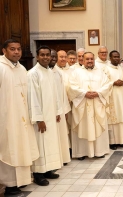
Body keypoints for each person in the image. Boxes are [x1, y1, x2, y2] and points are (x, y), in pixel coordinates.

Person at [0, 39, 39, 195]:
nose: (16, 52)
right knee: (10, 149)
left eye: (18, 49)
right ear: (4, 51)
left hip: (22, 117)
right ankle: (9, 185)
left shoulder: (22, 69)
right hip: (7, 119)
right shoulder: (1, 68)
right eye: (12, 49)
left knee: (22, 148)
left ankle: (20, 181)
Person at [27, 45, 63, 186]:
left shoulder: (50, 72)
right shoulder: (33, 74)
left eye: (47, 54)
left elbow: (55, 94)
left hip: (51, 115)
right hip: (41, 118)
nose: (46, 57)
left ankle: (48, 169)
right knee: (40, 144)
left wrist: (57, 111)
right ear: (37, 56)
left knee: (50, 143)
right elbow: (33, 98)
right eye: (42, 55)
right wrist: (39, 119)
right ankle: (38, 173)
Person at [68, 52, 112, 160]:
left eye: (91, 59)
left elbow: (108, 85)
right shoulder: (76, 72)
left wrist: (98, 93)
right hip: (82, 104)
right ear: (82, 60)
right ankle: (81, 153)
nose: (89, 61)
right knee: (83, 126)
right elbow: (71, 87)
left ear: (94, 59)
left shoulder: (101, 72)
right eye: (87, 59)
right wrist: (84, 93)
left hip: (97, 103)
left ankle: (99, 151)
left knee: (97, 126)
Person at [49, 49, 71, 166]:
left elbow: (62, 92)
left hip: (60, 109)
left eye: (53, 56)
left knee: (62, 134)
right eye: (50, 56)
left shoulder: (57, 73)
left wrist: (65, 109)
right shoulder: (39, 73)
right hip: (49, 111)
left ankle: (62, 158)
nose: (51, 59)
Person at [106, 50, 123, 150]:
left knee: (120, 119)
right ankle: (112, 142)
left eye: (118, 57)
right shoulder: (106, 69)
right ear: (110, 58)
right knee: (112, 120)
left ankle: (122, 141)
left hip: (120, 97)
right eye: (114, 57)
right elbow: (103, 82)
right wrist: (113, 83)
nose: (116, 58)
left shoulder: (122, 69)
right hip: (111, 97)